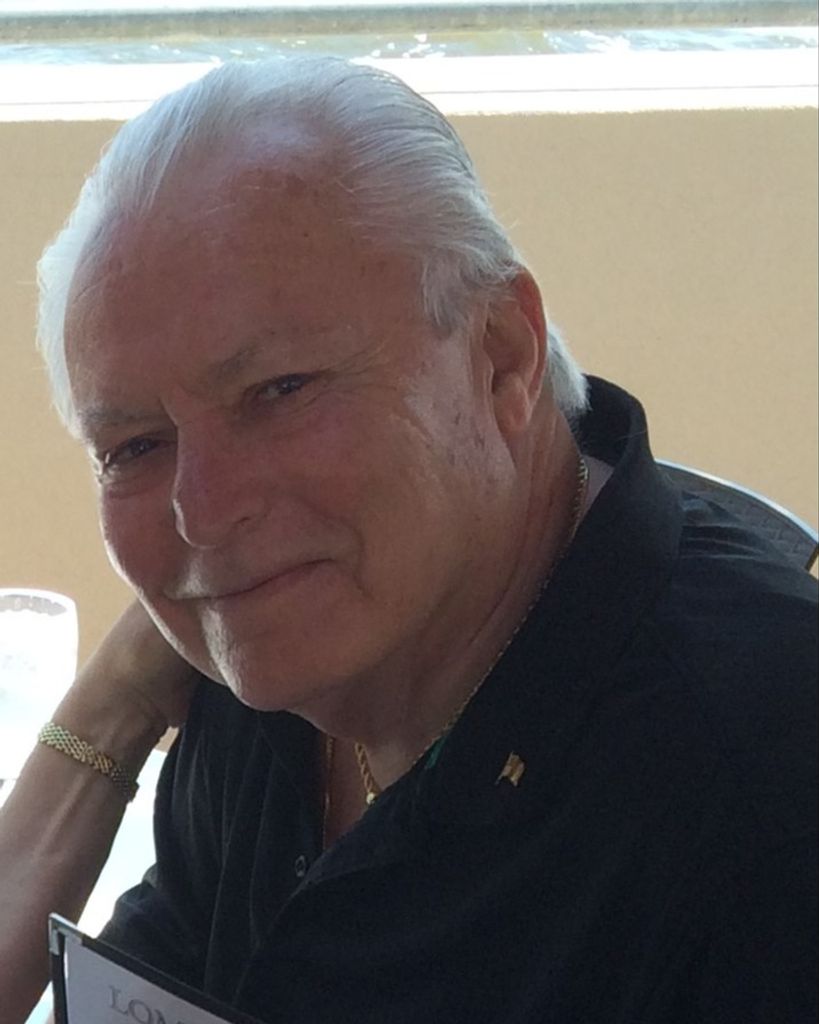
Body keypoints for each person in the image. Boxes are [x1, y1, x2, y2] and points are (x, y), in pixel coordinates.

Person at [0, 55, 816, 1024]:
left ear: (501, 355)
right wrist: (112, 708)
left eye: (279, 391)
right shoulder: (276, 671)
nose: (203, 512)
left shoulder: (764, 790)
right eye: (135, 445)